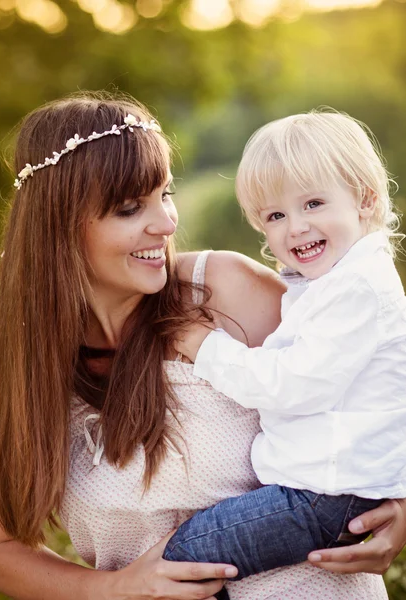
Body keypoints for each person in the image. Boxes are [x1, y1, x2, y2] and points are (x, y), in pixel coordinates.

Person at [0, 93, 405, 600]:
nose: (165, 224)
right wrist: (116, 589)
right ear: (59, 228)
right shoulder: (25, 368)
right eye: (129, 208)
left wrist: (401, 507)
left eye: (165, 193)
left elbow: (379, 374)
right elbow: (1, 552)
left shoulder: (224, 290)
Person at [163, 110, 406, 591]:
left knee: (186, 556)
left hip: (324, 496)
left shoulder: (355, 289)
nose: (295, 227)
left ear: (365, 199)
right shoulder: (331, 283)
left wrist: (205, 346)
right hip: (321, 490)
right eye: (276, 216)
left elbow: (291, 384)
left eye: (313, 203)